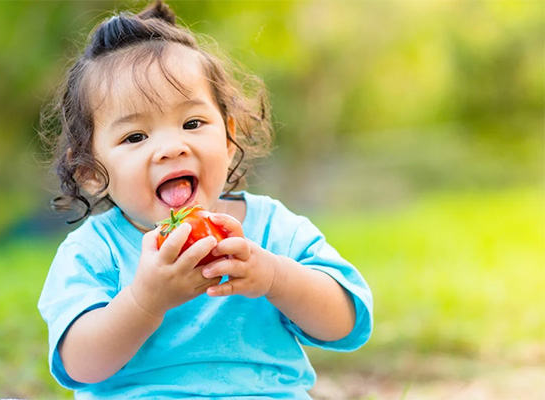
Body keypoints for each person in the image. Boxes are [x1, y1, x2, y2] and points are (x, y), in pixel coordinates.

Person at [38, 1, 373, 398]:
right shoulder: (94, 251)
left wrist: (274, 277)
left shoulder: (270, 229)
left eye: (192, 123)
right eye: (135, 137)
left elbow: (347, 322)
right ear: (92, 173)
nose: (170, 148)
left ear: (228, 138)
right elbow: (81, 364)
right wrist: (145, 301)